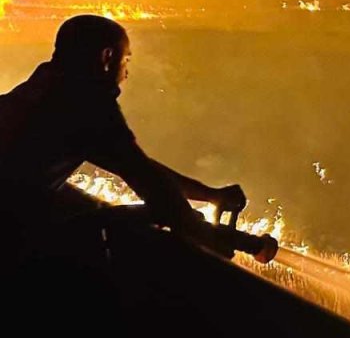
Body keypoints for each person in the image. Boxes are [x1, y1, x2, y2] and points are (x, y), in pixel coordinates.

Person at [0, 14, 245, 257]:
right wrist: (203, 234)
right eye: (125, 60)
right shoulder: (87, 103)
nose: (126, 73)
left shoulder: (41, 90)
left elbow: (135, 165)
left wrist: (210, 195)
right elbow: (148, 181)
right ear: (107, 57)